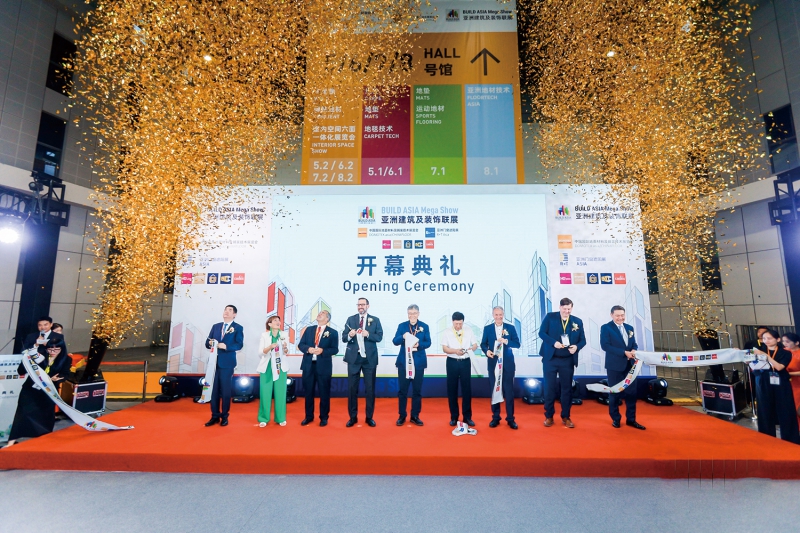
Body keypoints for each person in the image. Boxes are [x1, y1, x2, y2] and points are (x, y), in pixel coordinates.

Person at [6, 337, 71, 446]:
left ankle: (43, 441)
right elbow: (21, 370)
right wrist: (28, 358)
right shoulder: (39, 355)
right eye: (50, 349)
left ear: (62, 349)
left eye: (56, 350)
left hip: (48, 392)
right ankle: (11, 442)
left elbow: (65, 374)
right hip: (30, 390)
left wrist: (57, 379)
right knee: (22, 414)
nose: (52, 352)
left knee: (45, 417)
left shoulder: (66, 359)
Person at [538, 298, 586, 429]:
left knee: (567, 389)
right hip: (551, 359)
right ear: (560, 307)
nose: (566, 311)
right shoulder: (550, 317)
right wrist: (553, 343)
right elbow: (541, 333)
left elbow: (583, 340)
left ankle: (566, 416)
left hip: (567, 360)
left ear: (572, 308)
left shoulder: (577, 321)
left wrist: (577, 347)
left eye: (569, 309)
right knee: (549, 388)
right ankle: (549, 416)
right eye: (564, 309)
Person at [750, 329, 800, 444]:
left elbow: (779, 367)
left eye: (769, 338)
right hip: (763, 382)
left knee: (786, 410)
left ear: (777, 340)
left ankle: (790, 439)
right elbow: (751, 363)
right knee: (764, 409)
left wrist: (766, 356)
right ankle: (766, 438)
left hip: (781, 382)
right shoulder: (759, 350)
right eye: (764, 338)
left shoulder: (785, 353)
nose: (766, 341)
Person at [600, 305, 645, 430]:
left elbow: (634, 343)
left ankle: (631, 419)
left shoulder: (629, 328)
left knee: (632, 393)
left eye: (622, 315)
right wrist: (624, 353)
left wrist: (634, 350)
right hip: (614, 366)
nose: (620, 318)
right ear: (612, 315)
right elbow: (605, 346)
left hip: (630, 366)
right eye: (617, 315)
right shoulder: (606, 328)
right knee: (615, 393)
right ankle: (616, 418)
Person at [341, 297, 383, 427]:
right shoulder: (350, 319)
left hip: (369, 359)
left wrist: (368, 334)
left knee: (370, 390)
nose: (360, 307)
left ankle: (369, 417)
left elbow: (379, 337)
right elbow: (344, 338)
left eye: (363, 304)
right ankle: (352, 417)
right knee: (352, 389)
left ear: (367, 306)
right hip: (354, 359)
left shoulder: (375, 320)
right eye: (358, 304)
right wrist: (350, 335)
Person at [203, 305, 244, 427]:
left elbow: (239, 345)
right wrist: (210, 343)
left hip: (227, 364)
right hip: (213, 363)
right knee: (213, 391)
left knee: (225, 391)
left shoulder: (238, 328)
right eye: (225, 310)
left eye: (230, 310)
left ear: (234, 314)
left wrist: (226, 346)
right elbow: (207, 343)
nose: (226, 312)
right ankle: (214, 416)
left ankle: (225, 416)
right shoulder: (216, 326)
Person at [481, 306, 521, 429]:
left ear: (503, 315)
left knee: (509, 392)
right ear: (493, 315)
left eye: (500, 314)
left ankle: (510, 419)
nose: (498, 317)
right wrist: (487, 351)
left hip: (507, 365)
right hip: (493, 364)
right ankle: (495, 417)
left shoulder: (510, 327)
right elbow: (483, 344)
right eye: (496, 314)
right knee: (494, 391)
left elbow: (517, 344)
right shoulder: (487, 328)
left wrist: (506, 341)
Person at [297, 310, 339, 426]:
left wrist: (323, 351)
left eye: (323, 313)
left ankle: (324, 417)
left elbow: (335, 349)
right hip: (308, 365)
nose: (320, 314)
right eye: (319, 313)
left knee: (324, 393)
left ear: (327, 319)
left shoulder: (333, 332)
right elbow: (301, 345)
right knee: (308, 393)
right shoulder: (309, 330)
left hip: (323, 367)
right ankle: (308, 416)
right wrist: (308, 349)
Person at [392, 304, 431, 426]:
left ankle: (415, 416)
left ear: (418, 314)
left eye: (414, 313)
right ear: (407, 314)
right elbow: (395, 341)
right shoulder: (402, 326)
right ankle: (402, 416)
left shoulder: (424, 326)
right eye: (410, 313)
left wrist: (419, 345)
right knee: (402, 391)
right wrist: (403, 337)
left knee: (417, 391)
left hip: (418, 363)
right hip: (404, 363)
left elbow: (428, 342)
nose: (412, 316)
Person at [441, 311, 479, 427]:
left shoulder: (468, 330)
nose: (458, 326)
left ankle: (467, 417)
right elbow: (444, 348)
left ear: (463, 322)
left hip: (465, 362)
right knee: (452, 390)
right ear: (452, 322)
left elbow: (475, 345)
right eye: (456, 324)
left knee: (467, 390)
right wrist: (455, 351)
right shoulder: (447, 331)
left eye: (460, 323)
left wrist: (471, 348)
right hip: (452, 362)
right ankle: (454, 417)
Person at [257, 315, 290, 427]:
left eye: (279, 320)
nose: (278, 322)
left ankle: (280, 418)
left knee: (280, 393)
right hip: (267, 367)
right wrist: (270, 347)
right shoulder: (264, 335)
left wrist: (285, 348)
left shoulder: (284, 335)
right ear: (269, 324)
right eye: (275, 320)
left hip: (280, 367)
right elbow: (261, 352)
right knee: (265, 393)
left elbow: (286, 352)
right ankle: (263, 418)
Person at [782, 332, 800, 426]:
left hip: (797, 384)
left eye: (787, 341)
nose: (785, 343)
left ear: (796, 343)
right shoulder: (784, 351)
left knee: (797, 406)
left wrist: (788, 374)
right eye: (783, 341)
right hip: (786, 382)